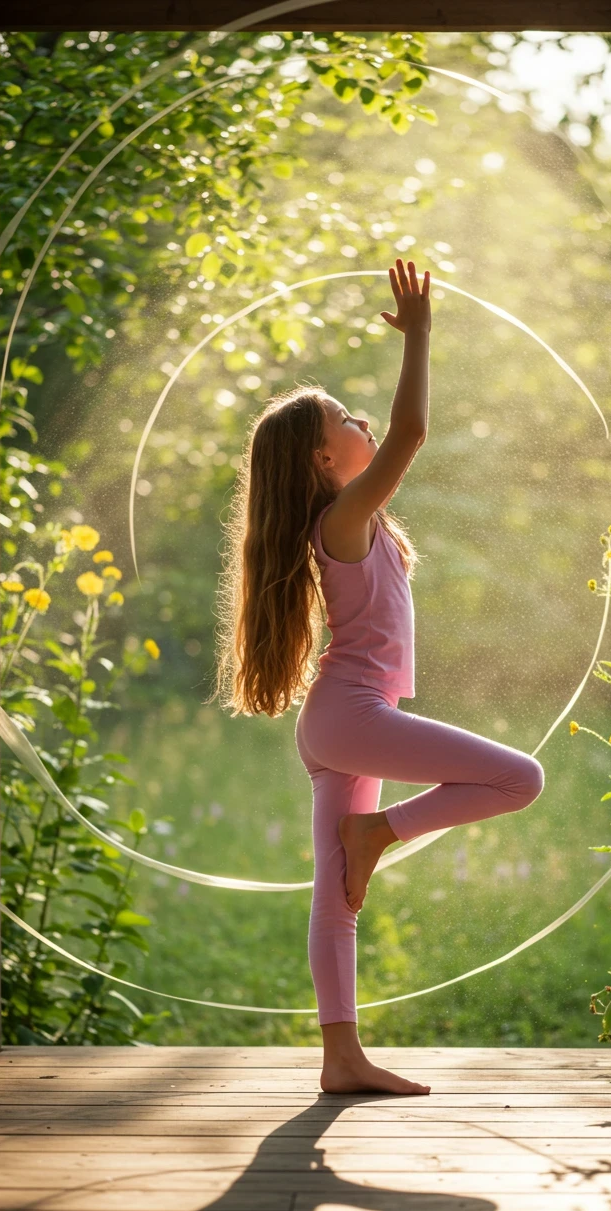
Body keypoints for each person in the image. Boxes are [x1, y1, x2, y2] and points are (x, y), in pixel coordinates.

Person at [210, 259, 544, 1096]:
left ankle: (341, 1058)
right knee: (519, 777)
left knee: (335, 898)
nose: (362, 419)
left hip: (342, 720)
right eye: (343, 417)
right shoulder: (345, 517)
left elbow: (395, 449)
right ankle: (380, 834)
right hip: (353, 714)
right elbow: (413, 434)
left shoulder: (357, 517)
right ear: (326, 459)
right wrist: (421, 337)